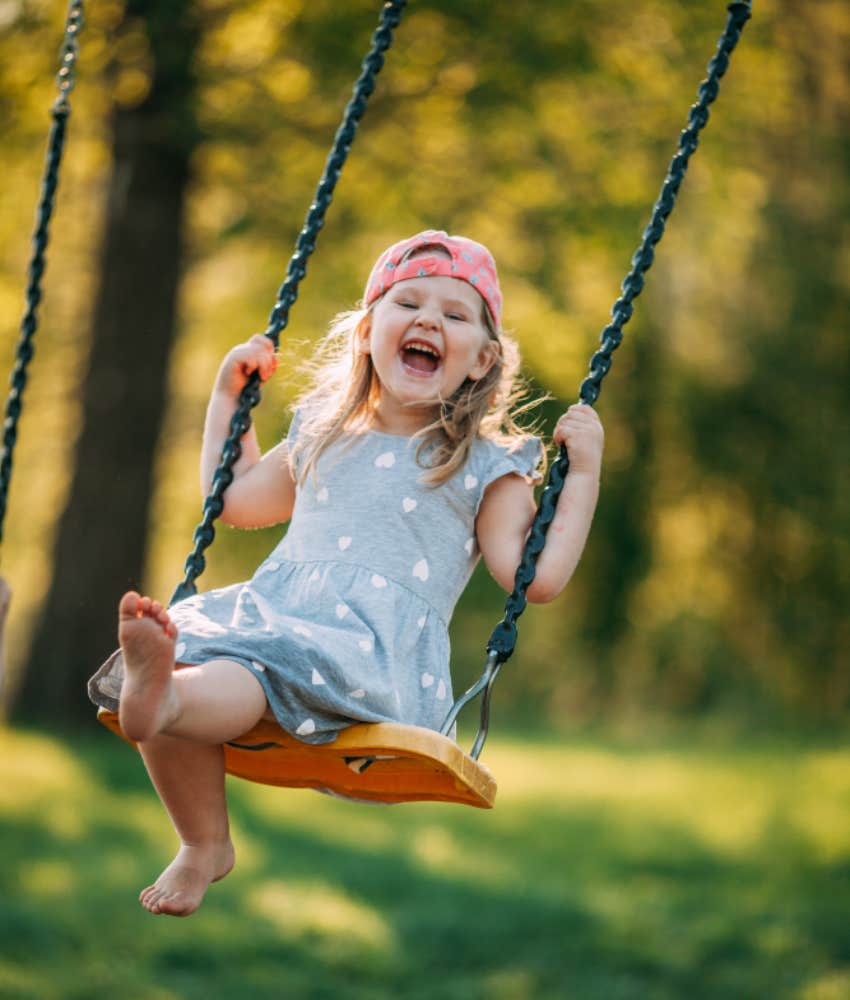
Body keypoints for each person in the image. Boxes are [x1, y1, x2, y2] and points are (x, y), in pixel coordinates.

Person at [88, 230, 604, 916]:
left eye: (454, 314)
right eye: (408, 304)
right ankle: (201, 838)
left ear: (483, 360)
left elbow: (534, 578)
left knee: (237, 671)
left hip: (367, 654)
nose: (428, 320)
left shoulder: (485, 464)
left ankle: (166, 701)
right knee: (193, 646)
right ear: (366, 333)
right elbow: (233, 499)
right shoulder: (324, 432)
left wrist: (583, 473)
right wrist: (227, 400)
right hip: (277, 619)